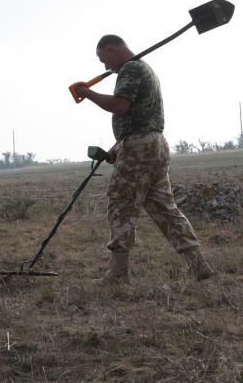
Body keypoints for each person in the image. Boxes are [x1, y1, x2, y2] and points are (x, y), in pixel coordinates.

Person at [72, 34, 213, 285]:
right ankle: (198, 265)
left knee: (121, 203)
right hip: (153, 144)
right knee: (164, 208)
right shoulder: (142, 68)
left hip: (140, 147)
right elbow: (140, 116)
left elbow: (120, 105)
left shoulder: (131, 68)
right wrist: (119, 146)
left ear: (113, 51)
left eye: (105, 60)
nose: (106, 68)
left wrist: (88, 93)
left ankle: (118, 274)